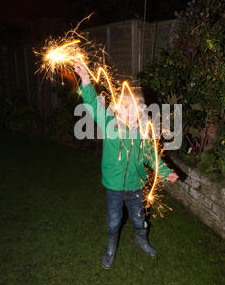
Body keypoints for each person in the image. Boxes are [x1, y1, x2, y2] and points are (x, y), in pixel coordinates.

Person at [74, 61, 178, 269]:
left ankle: (142, 240)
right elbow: (93, 104)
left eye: (135, 109)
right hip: (113, 186)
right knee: (114, 220)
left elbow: (152, 157)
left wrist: (165, 171)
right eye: (125, 108)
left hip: (136, 186)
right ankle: (111, 248)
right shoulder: (109, 124)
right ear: (118, 108)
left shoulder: (143, 134)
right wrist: (86, 80)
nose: (130, 113)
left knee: (140, 218)